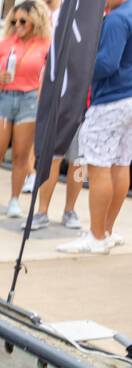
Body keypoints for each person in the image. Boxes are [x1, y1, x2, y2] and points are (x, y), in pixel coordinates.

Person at [58, 0, 132, 254]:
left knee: (99, 166)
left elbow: (106, 64)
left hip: (112, 98)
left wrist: (79, 62)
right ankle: (106, 231)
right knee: (120, 163)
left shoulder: (116, 19)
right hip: (128, 100)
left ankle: (97, 236)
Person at [0, 0, 51, 219]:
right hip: (4, 98)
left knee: (21, 155)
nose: (17, 24)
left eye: (23, 21)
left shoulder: (46, 44)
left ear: (35, 21)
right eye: (14, 20)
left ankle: (14, 200)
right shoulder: (5, 44)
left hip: (30, 100)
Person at [31, 0, 84, 230]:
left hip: (84, 104)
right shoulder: (60, 25)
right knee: (52, 156)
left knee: (79, 161)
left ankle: (69, 210)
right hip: (59, 103)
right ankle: (42, 211)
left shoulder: (92, 28)